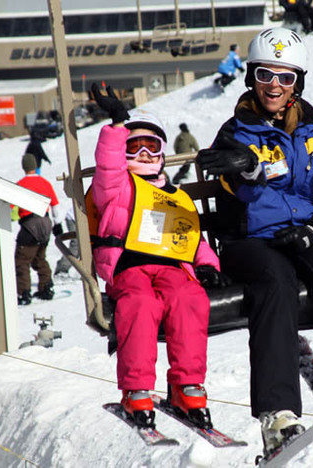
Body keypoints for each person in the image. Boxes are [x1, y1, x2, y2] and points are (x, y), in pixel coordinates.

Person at [196, 28, 313, 460]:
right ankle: (278, 413)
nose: (274, 86)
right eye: (265, 75)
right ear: (251, 78)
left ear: (298, 83)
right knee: (275, 286)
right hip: (250, 239)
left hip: (303, 232)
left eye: (285, 77)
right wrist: (248, 168)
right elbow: (228, 179)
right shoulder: (235, 132)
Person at [88, 83, 230, 429]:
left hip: (171, 267)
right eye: (134, 147)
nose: (145, 154)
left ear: (163, 151)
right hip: (130, 267)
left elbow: (191, 237)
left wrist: (208, 265)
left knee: (189, 298)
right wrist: (117, 127)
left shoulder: (176, 196)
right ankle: (136, 389)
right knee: (140, 304)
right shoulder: (117, 188)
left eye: (152, 146)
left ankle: (187, 385)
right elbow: (106, 169)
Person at [14, 153, 63, 305]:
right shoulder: (45, 183)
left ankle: (24, 294)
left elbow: (8, 206)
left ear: (24, 167)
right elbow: (55, 205)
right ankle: (46, 288)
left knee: (21, 261)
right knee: (39, 257)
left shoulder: (20, 184)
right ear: (35, 166)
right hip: (46, 223)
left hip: (30, 224)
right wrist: (58, 224)